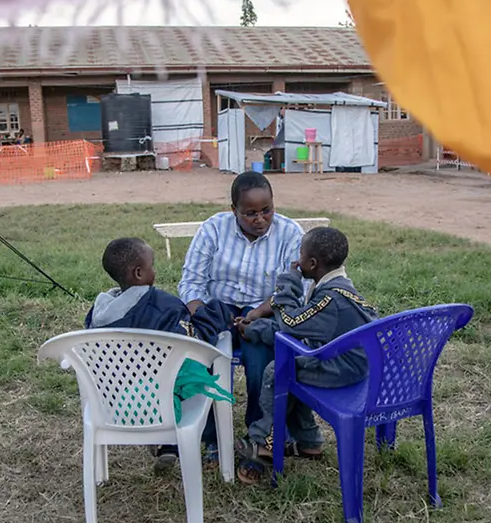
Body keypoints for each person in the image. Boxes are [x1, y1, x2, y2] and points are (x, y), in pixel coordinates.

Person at [234, 227, 378, 483]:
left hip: (344, 367)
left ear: (312, 263)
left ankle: (265, 442)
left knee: (278, 371)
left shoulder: (330, 300)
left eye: (300, 254)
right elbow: (301, 326)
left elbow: (289, 322)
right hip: (357, 360)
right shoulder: (338, 287)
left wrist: (289, 281)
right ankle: (309, 442)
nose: (297, 260)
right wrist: (256, 327)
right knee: (298, 367)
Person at [178, 172, 304, 466]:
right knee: (203, 357)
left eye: (266, 210)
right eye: (250, 213)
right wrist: (204, 316)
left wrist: (256, 314)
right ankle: (211, 435)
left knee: (261, 362)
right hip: (216, 309)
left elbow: (295, 290)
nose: (260, 219)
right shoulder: (214, 229)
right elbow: (192, 282)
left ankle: (258, 438)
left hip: (265, 310)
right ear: (233, 210)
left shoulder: (290, 234)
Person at [85, 237, 235, 474]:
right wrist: (217, 313)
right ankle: (181, 439)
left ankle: (168, 446)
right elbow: (194, 340)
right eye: (151, 266)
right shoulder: (163, 306)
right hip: (160, 399)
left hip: (113, 401)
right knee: (193, 370)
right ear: (138, 273)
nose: (154, 271)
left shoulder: (97, 314)